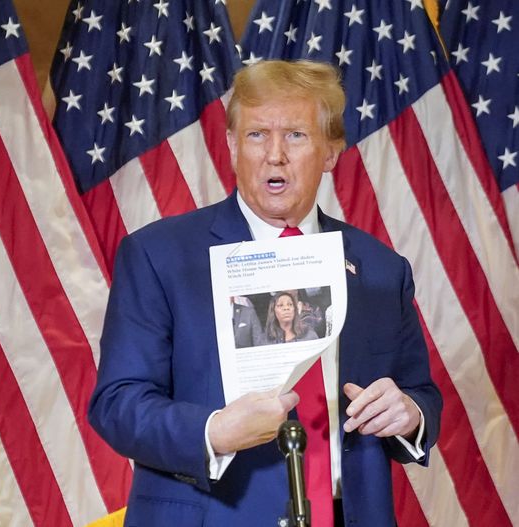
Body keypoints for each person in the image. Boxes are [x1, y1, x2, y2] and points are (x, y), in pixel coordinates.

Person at [88, 60, 441, 527]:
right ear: (233, 145)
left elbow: (420, 392)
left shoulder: (380, 269)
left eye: (295, 135)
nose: (274, 154)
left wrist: (410, 412)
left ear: (332, 151)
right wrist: (214, 431)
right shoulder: (158, 256)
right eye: (256, 135)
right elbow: (117, 403)